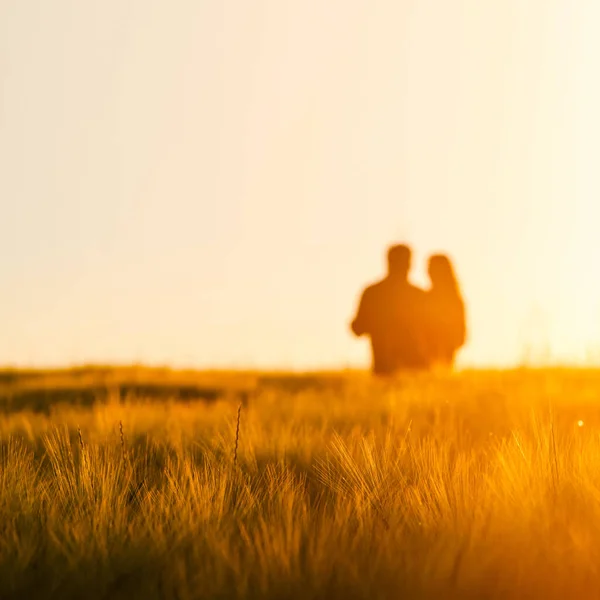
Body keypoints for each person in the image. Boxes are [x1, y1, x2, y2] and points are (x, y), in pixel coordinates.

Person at [350, 244, 429, 375]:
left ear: (388, 262)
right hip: (417, 367)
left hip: (382, 368)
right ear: (409, 264)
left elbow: (357, 328)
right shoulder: (419, 295)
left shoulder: (372, 293)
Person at [423, 254, 466, 368]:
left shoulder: (453, 300)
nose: (429, 272)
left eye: (431, 269)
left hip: (444, 357)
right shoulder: (455, 299)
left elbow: (461, 336)